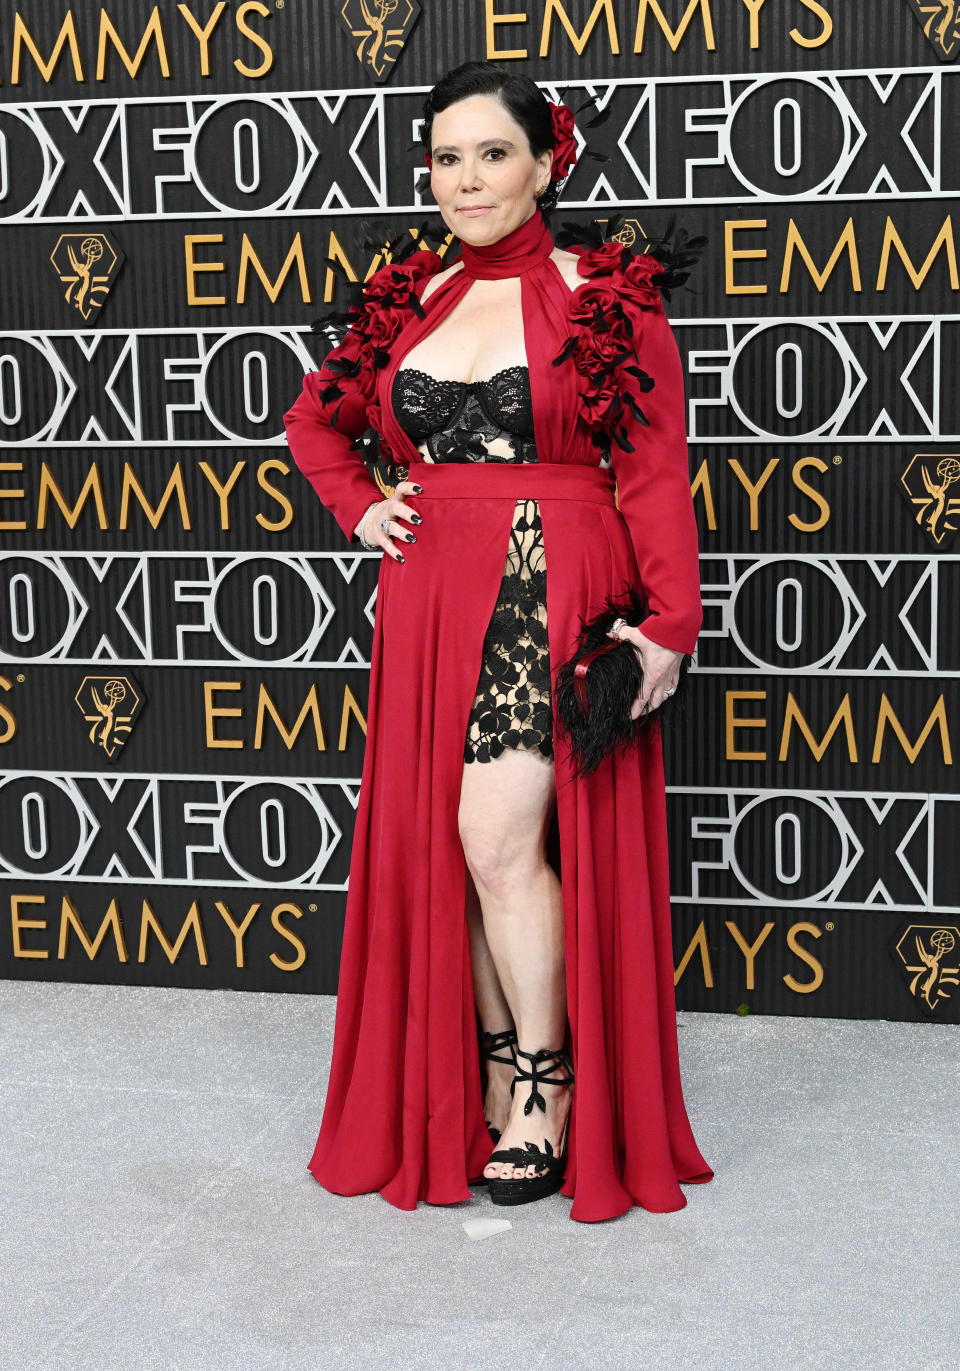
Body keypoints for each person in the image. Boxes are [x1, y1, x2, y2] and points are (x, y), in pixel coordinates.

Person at [283, 59, 714, 1222]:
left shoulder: (607, 298)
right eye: (445, 158)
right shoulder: (409, 297)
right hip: (433, 594)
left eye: (491, 154)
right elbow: (315, 424)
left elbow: (655, 474)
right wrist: (362, 503)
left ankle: (545, 1083)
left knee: (495, 837)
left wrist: (667, 626)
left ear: (545, 161)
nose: (465, 181)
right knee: (457, 856)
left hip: (552, 581)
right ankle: (485, 1069)